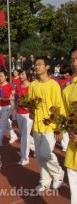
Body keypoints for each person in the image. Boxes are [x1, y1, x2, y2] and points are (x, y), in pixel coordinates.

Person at [28, 56, 65, 192]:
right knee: (39, 155)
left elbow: (57, 106)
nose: (36, 67)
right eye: (35, 64)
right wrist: (31, 110)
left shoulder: (53, 85)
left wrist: (59, 128)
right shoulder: (33, 85)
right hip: (37, 125)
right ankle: (44, 180)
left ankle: (58, 173)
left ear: (47, 67)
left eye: (40, 64)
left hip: (50, 125)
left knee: (45, 153)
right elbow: (31, 104)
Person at [63, 46, 77, 204]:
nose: (74, 63)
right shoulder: (67, 90)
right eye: (72, 60)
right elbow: (67, 118)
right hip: (73, 148)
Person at [15, 70, 35, 165]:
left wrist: (28, 105)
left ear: (27, 75)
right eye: (20, 74)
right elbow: (15, 99)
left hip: (28, 114)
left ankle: (24, 157)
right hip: (19, 112)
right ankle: (36, 148)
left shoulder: (32, 86)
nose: (20, 76)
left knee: (24, 136)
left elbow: (34, 101)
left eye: (23, 74)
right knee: (24, 134)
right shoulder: (18, 86)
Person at [0, 70, 18, 146]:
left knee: (2, 124)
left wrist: (6, 99)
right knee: (6, 123)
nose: (0, 78)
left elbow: (14, 97)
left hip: (7, 107)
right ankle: (14, 136)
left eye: (1, 76)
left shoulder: (9, 86)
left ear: (6, 77)